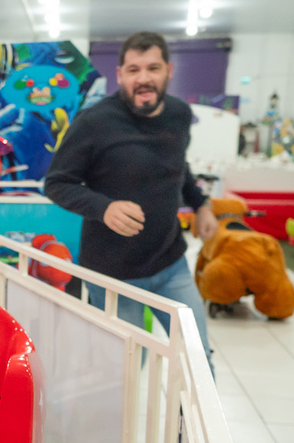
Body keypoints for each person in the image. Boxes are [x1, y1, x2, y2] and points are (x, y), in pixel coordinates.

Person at [44, 31, 217, 365]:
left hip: (171, 264)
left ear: (169, 71)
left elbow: (178, 166)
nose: (143, 78)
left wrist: (200, 204)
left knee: (197, 361)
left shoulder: (179, 115)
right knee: (128, 370)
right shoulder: (94, 122)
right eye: (134, 70)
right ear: (120, 74)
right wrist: (104, 208)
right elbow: (57, 183)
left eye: (153, 68)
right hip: (113, 275)